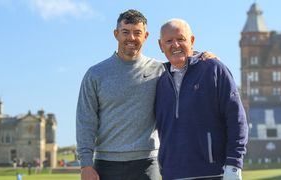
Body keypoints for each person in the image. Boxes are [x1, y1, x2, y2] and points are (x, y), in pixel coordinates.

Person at [76, 9, 217, 180]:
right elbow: (85, 122)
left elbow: (181, 57)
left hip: (148, 163)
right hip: (106, 164)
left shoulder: (160, 70)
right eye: (125, 32)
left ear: (146, 36)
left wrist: (202, 56)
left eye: (137, 33)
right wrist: (85, 164)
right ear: (116, 34)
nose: (132, 38)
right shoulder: (95, 74)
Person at [155, 19, 249, 180]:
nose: (175, 45)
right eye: (169, 41)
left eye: (181, 39)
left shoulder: (213, 69)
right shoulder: (158, 80)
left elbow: (236, 118)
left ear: (191, 40)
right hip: (172, 174)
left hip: (214, 173)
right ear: (160, 45)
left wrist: (234, 165)